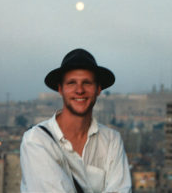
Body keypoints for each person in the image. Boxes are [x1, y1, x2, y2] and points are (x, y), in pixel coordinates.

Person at [20, 48, 131, 193]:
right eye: (72, 83)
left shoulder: (111, 141)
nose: (79, 90)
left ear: (98, 89)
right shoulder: (36, 140)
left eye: (87, 83)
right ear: (60, 89)